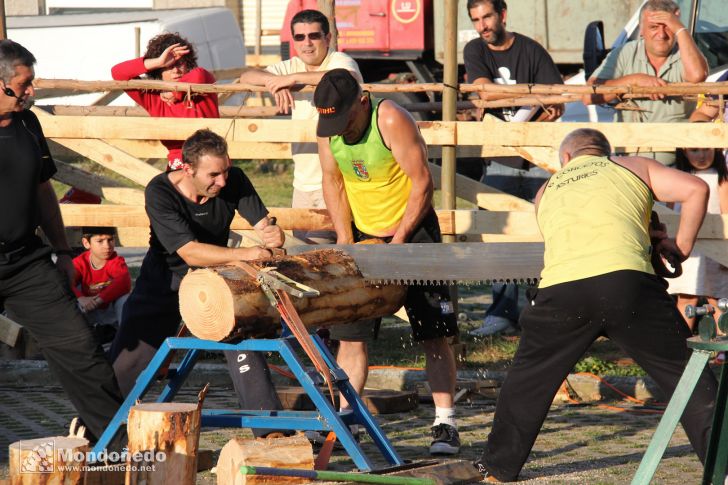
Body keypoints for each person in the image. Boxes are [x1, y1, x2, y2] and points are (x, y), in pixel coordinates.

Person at [474, 128, 718, 482]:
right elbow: (697, 190)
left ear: (566, 159)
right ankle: (723, 464)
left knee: (526, 381)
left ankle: (497, 466)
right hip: (625, 282)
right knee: (688, 376)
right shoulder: (633, 166)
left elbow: (582, 232)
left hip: (562, 288)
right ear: (608, 153)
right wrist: (677, 247)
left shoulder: (546, 190)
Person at [314, 69, 460, 455]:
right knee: (350, 335)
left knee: (433, 332)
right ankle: (347, 421)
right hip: (364, 235)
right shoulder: (329, 128)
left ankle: (445, 424)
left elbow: (422, 182)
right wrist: (346, 239)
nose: (337, 130)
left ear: (362, 103)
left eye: (343, 120)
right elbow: (333, 181)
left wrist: (397, 242)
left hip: (413, 233)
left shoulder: (391, 118)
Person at [108, 129, 288, 437]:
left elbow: (265, 224)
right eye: (214, 175)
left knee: (242, 339)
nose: (222, 181)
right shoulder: (160, 192)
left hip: (216, 279)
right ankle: (96, 428)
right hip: (165, 277)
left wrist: (273, 233)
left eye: (226, 171)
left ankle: (269, 429)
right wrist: (247, 252)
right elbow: (189, 251)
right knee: (129, 360)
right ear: (187, 168)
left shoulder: (233, 180)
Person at [0, 39, 125, 445]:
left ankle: (116, 446)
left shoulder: (27, 124)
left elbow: (42, 190)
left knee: (81, 347)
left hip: (25, 262)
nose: (31, 92)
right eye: (24, 85)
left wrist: (64, 250)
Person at [463, 0, 564, 336]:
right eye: (476, 19)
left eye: (487, 17)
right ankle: (502, 312)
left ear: (502, 15)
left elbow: (558, 98)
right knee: (497, 234)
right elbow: (482, 91)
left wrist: (547, 102)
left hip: (537, 156)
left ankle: (541, 311)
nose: (482, 25)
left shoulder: (531, 50)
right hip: (499, 156)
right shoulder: (475, 49)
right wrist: (536, 95)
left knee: (544, 234)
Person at [238, 9, 362, 243]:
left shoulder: (339, 61)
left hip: (337, 179)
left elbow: (344, 77)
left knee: (319, 252)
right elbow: (246, 76)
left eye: (314, 36)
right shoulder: (292, 65)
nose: (307, 43)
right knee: (302, 253)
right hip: (302, 182)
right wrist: (272, 81)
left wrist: (293, 79)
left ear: (328, 38)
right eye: (299, 37)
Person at [584, 0, 708, 165]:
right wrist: (633, 80)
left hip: (677, 164)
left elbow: (698, 75)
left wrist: (680, 29)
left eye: (668, 26)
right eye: (654, 27)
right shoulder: (625, 53)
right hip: (629, 163)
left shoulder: (685, 52)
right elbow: (588, 95)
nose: (662, 34)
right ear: (641, 30)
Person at [112, 33, 219, 171]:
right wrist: (158, 61)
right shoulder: (154, 96)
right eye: (168, 66)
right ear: (159, 71)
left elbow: (200, 74)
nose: (175, 70)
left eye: (180, 63)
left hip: (212, 164)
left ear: (188, 64)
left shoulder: (201, 85)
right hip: (177, 169)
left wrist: (175, 92)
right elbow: (118, 73)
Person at [668, 144, 728, 330]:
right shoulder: (676, 175)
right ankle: (681, 346)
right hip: (686, 247)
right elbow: (668, 212)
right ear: (684, 151)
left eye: (706, 149)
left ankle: (720, 349)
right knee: (686, 297)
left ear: (716, 150)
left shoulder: (721, 177)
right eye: (694, 150)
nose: (701, 155)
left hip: (714, 247)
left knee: (718, 298)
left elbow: (726, 213)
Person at [72, 227, 131, 343]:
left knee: (125, 299)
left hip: (109, 309)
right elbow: (65, 281)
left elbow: (124, 281)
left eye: (110, 240)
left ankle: (125, 339)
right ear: (86, 243)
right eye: (100, 241)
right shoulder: (80, 262)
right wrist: (80, 298)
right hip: (87, 309)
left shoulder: (116, 261)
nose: (107, 246)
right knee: (68, 296)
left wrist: (99, 299)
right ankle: (76, 341)